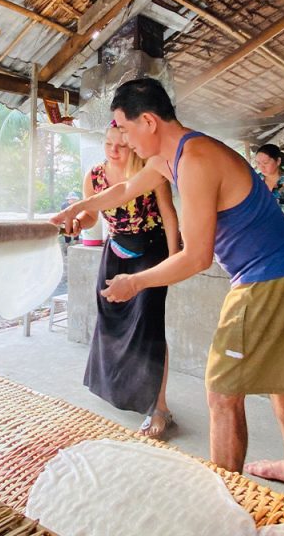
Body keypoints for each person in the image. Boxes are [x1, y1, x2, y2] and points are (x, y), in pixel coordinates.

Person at [52, 78, 284, 490]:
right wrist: (78, 206)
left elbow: (197, 257)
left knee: (222, 392)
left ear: (148, 121)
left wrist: (134, 282)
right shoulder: (170, 155)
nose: (121, 139)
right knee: (279, 377)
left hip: (267, 277)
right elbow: (123, 190)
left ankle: (220, 503)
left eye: (124, 127)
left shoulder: (195, 160)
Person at [66, 123, 181, 438]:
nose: (112, 151)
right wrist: (78, 221)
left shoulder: (149, 170)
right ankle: (123, 389)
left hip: (152, 249)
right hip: (115, 249)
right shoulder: (95, 175)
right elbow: (92, 214)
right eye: (107, 144)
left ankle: (160, 408)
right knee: (111, 320)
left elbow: (168, 213)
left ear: (133, 146)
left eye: (121, 145)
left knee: (149, 325)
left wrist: (174, 260)